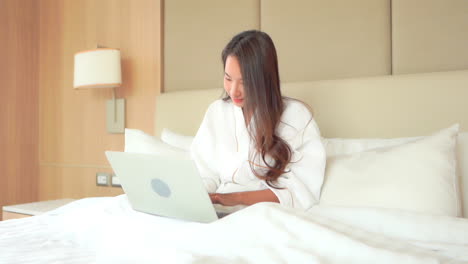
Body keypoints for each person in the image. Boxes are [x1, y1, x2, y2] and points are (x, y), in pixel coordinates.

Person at [190, 30, 326, 211]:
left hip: (267, 212)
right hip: (219, 211)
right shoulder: (217, 112)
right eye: (228, 78)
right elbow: (203, 173)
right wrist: (200, 198)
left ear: (263, 79)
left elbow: (299, 190)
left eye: (244, 82)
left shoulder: (295, 116)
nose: (233, 91)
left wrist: (235, 198)